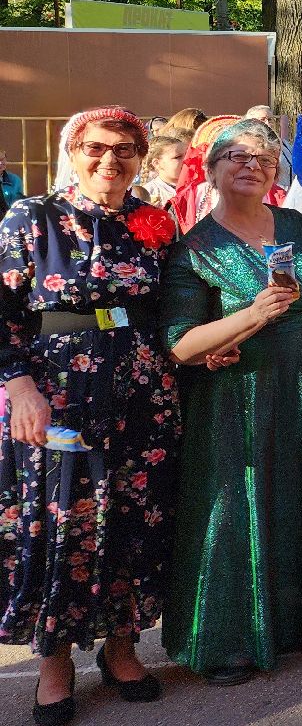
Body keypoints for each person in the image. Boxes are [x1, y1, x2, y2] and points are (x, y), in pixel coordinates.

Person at [1, 109, 180, 724]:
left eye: (127, 149)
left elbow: (170, 306)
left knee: (136, 515)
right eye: (97, 148)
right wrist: (19, 385)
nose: (112, 160)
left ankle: (122, 649)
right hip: (58, 395)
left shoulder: (153, 222)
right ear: (72, 152)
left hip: (144, 390)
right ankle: (54, 663)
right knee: (65, 523)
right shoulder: (33, 217)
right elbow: (4, 311)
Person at [159, 119, 302, 684]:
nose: (249, 165)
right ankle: (228, 639)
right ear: (212, 171)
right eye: (235, 156)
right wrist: (250, 316)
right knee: (237, 509)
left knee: (301, 496)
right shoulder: (195, 247)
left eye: (263, 158)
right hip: (236, 399)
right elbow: (180, 344)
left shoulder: (294, 223)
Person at [132, 133, 187, 208]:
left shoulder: (196, 187)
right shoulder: (150, 192)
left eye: (187, 154)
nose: (185, 160)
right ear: (157, 163)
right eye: (177, 157)